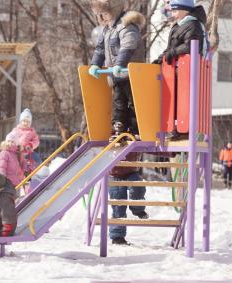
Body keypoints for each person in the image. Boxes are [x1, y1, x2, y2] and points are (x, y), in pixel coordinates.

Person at [88, 0, 145, 141]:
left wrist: (120, 64)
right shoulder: (107, 29)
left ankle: (134, 128)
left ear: (114, 10)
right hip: (117, 75)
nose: (103, 18)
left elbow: (128, 46)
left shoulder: (126, 26)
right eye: (100, 15)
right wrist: (95, 64)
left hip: (130, 74)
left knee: (132, 102)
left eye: (105, 14)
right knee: (118, 101)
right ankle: (119, 126)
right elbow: (100, 48)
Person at [153, 0, 207, 140]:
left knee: (183, 100)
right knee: (174, 100)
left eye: (176, 11)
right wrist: (161, 58)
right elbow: (170, 48)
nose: (173, 14)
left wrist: (172, 53)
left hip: (187, 72)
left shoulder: (193, 25)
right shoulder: (178, 26)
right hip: (176, 71)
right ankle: (176, 128)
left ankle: (184, 129)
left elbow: (191, 45)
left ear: (185, 10)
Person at [109, 152, 148, 245]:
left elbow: (152, 145)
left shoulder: (136, 138)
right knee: (118, 206)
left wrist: (171, 152)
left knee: (138, 187)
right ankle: (117, 237)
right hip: (114, 175)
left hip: (132, 172)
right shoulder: (112, 139)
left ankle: (137, 209)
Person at [9, 108, 41, 174]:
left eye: (28, 122)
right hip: (17, 152)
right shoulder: (16, 130)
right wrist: (12, 144)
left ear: (30, 123)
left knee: (36, 157)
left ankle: (37, 171)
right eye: (24, 121)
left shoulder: (32, 132)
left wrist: (30, 145)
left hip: (27, 152)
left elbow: (36, 141)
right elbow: (11, 137)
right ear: (21, 121)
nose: (25, 123)